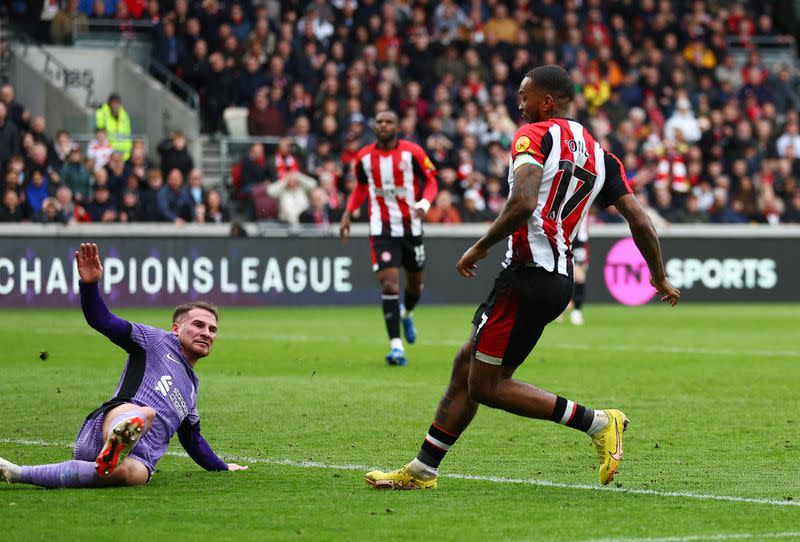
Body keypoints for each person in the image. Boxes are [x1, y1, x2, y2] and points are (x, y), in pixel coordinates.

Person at [364, 66, 680, 490]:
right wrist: (658, 276)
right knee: (466, 365)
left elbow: (523, 201)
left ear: (546, 102)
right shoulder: (600, 154)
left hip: (526, 277)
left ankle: (600, 422)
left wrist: (480, 244)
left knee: (487, 386)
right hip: (556, 279)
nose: (519, 102)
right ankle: (423, 469)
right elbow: (640, 221)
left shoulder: (533, 135)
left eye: (524, 95)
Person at [0, 243, 248, 488]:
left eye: (212, 329)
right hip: (104, 427)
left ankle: (17, 472)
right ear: (176, 329)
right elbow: (103, 320)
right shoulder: (153, 340)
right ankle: (120, 436)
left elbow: (193, 441)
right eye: (198, 325)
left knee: (136, 475)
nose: (207, 333)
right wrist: (89, 285)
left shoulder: (192, 388)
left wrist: (222, 466)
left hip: (139, 458)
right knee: (145, 414)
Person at [339, 110, 438, 366]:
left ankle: (407, 313)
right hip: (381, 229)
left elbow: (431, 181)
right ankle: (396, 347)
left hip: (411, 228)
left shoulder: (413, 152)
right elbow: (361, 186)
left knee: (415, 286)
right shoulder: (363, 157)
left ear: (397, 126)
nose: (383, 125)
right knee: (389, 285)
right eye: (379, 122)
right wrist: (348, 213)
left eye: (388, 122)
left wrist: (425, 203)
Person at [95, 94, 132, 160]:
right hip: (108, 151)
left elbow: (127, 134)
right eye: (114, 103)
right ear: (109, 103)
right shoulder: (102, 112)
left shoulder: (124, 115)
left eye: (117, 103)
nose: (115, 106)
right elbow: (100, 131)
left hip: (124, 152)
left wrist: (128, 151)